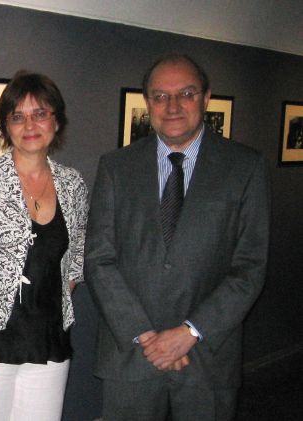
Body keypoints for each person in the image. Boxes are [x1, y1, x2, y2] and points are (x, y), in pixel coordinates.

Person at [84, 53, 270, 420]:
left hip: (207, 357)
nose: (172, 106)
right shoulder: (116, 167)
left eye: (185, 93)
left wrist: (190, 331)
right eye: (159, 96)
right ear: (147, 102)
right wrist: (144, 335)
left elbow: (250, 267)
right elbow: (99, 259)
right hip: (132, 355)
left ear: (206, 97)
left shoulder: (245, 167)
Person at [0, 71, 89, 420]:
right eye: (18, 116)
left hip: (49, 345)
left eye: (40, 113)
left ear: (56, 120)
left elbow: (74, 265)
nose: (30, 124)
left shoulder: (73, 185)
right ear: (6, 125)